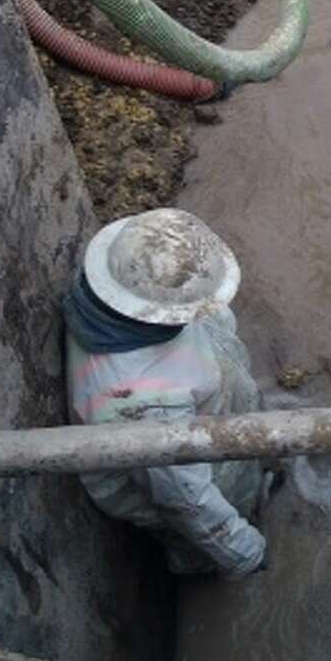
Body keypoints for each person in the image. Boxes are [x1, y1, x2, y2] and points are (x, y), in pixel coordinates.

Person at [65, 208, 267, 578]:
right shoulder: (141, 403)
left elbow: (207, 321)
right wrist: (246, 553)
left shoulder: (113, 291)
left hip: (203, 420)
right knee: (202, 540)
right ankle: (201, 567)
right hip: (192, 476)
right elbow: (187, 502)